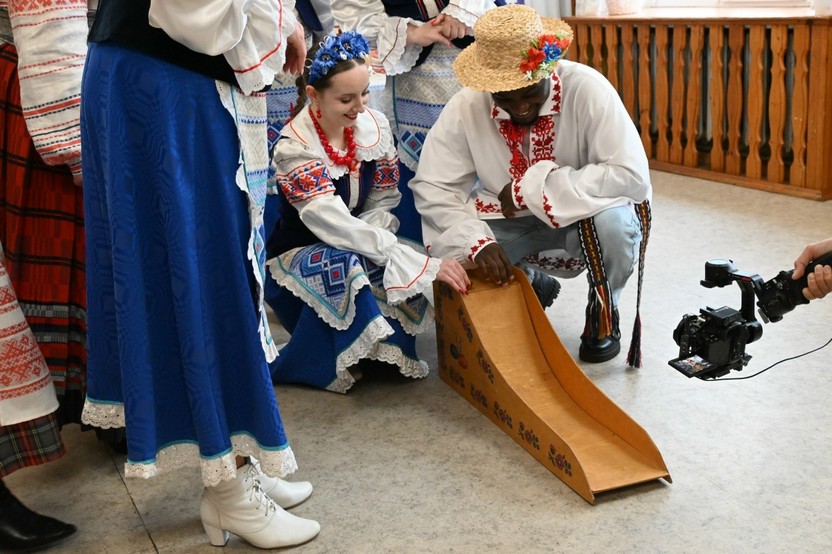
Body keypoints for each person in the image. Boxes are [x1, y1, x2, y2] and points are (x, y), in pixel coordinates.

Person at [79, 0, 320, 548]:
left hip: (171, 75)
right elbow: (203, 17)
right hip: (166, 80)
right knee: (204, 274)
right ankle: (228, 485)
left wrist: (284, 21)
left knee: (224, 268)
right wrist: (279, 22)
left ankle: (236, 457)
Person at [410, 4, 652, 365]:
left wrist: (529, 187)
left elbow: (630, 175)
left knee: (615, 226)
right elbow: (434, 186)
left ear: (548, 68)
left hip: (584, 214)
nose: (520, 107)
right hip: (508, 217)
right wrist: (476, 243)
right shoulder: (467, 104)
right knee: (457, 255)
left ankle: (603, 307)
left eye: (529, 92)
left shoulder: (588, 89)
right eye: (504, 97)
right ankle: (530, 281)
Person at [265, 31, 470, 393]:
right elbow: (332, 224)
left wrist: (383, 241)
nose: (359, 107)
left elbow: (383, 200)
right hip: (299, 255)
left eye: (363, 93)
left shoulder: (373, 126)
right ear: (314, 95)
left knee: (399, 252)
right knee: (354, 262)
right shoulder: (295, 146)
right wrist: (385, 250)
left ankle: (380, 350)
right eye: (346, 99)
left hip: (354, 239)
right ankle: (326, 358)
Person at [331, 0, 503, 242]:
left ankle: (497, 247)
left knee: (489, 151)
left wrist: (461, 10)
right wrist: (412, 32)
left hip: (481, 47)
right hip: (414, 72)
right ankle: (428, 253)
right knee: (420, 165)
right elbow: (354, 9)